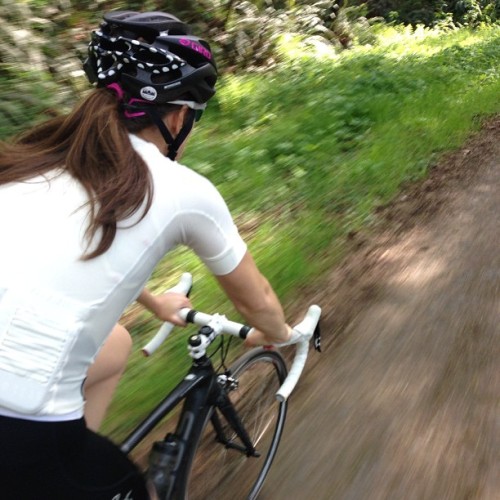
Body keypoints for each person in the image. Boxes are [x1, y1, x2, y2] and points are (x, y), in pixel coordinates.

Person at [0, 10, 291, 500]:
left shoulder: (36, 158)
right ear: (177, 116)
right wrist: (279, 334)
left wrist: (155, 303)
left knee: (113, 345)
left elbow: (67, 258)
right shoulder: (182, 190)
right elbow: (257, 299)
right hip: (20, 426)